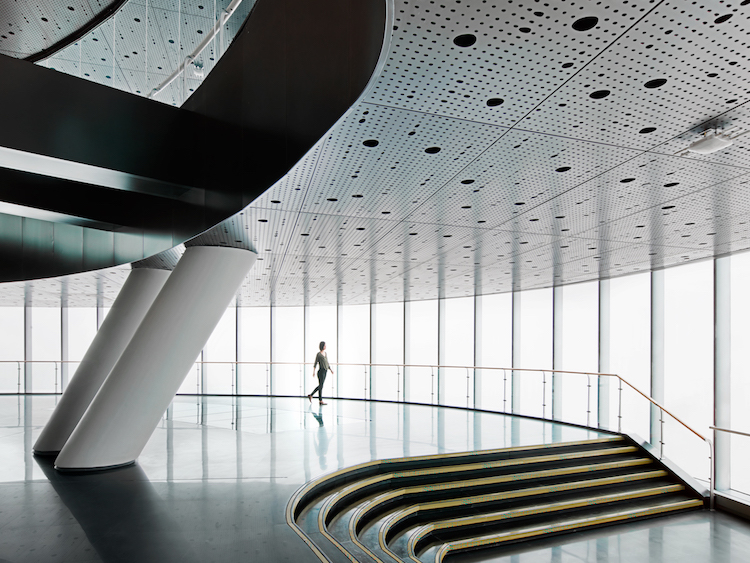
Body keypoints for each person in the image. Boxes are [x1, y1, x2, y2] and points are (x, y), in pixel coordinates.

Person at [308, 341, 333, 405]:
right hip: (321, 371)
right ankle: (312, 395)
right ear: (322, 346)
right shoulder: (318, 354)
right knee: (321, 385)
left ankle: (320, 400)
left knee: (321, 386)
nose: (325, 346)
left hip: (325, 371)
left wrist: (330, 369)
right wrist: (313, 372)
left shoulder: (325, 353)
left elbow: (327, 362)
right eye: (324, 345)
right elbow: (315, 363)